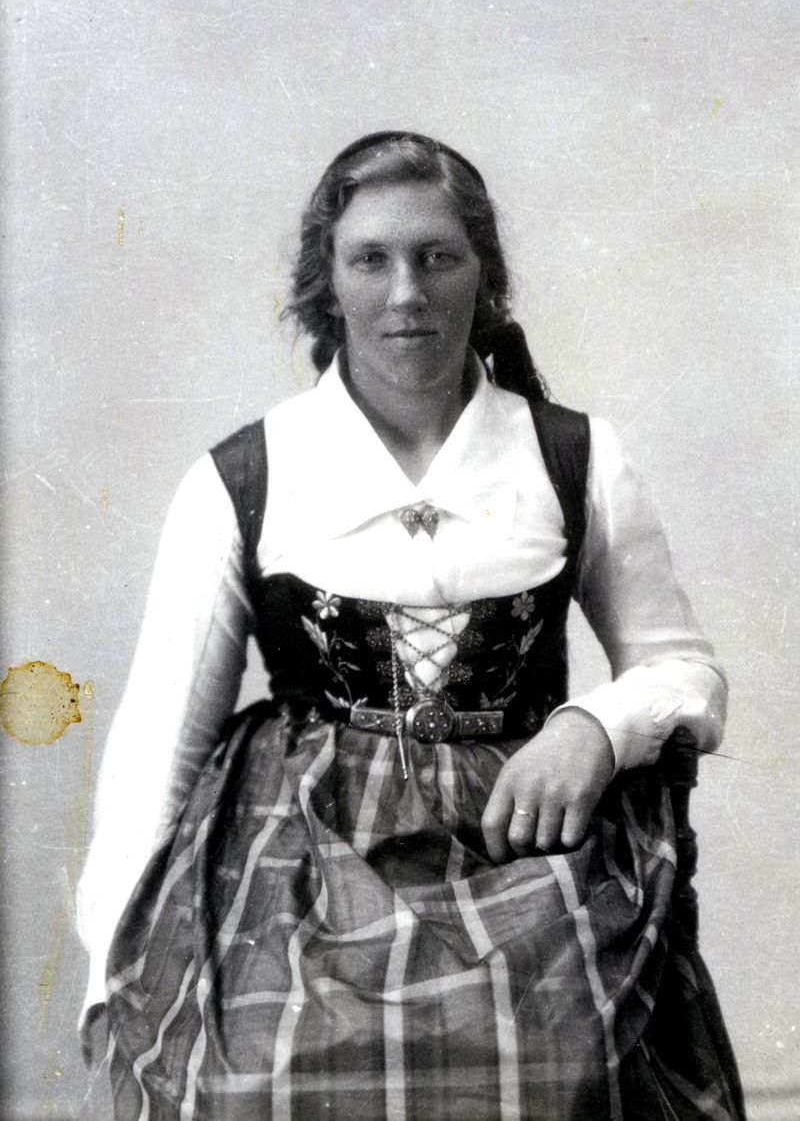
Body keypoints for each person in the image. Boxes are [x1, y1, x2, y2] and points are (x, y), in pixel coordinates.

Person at [77, 131, 745, 1120]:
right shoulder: (246, 475)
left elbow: (684, 670)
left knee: (560, 1069)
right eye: (371, 260)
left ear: (484, 273)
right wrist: (109, 973)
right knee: (264, 1074)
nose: (406, 293)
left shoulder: (574, 456)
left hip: (528, 855)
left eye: (436, 257)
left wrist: (593, 728)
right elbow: (157, 750)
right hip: (300, 872)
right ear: (328, 283)